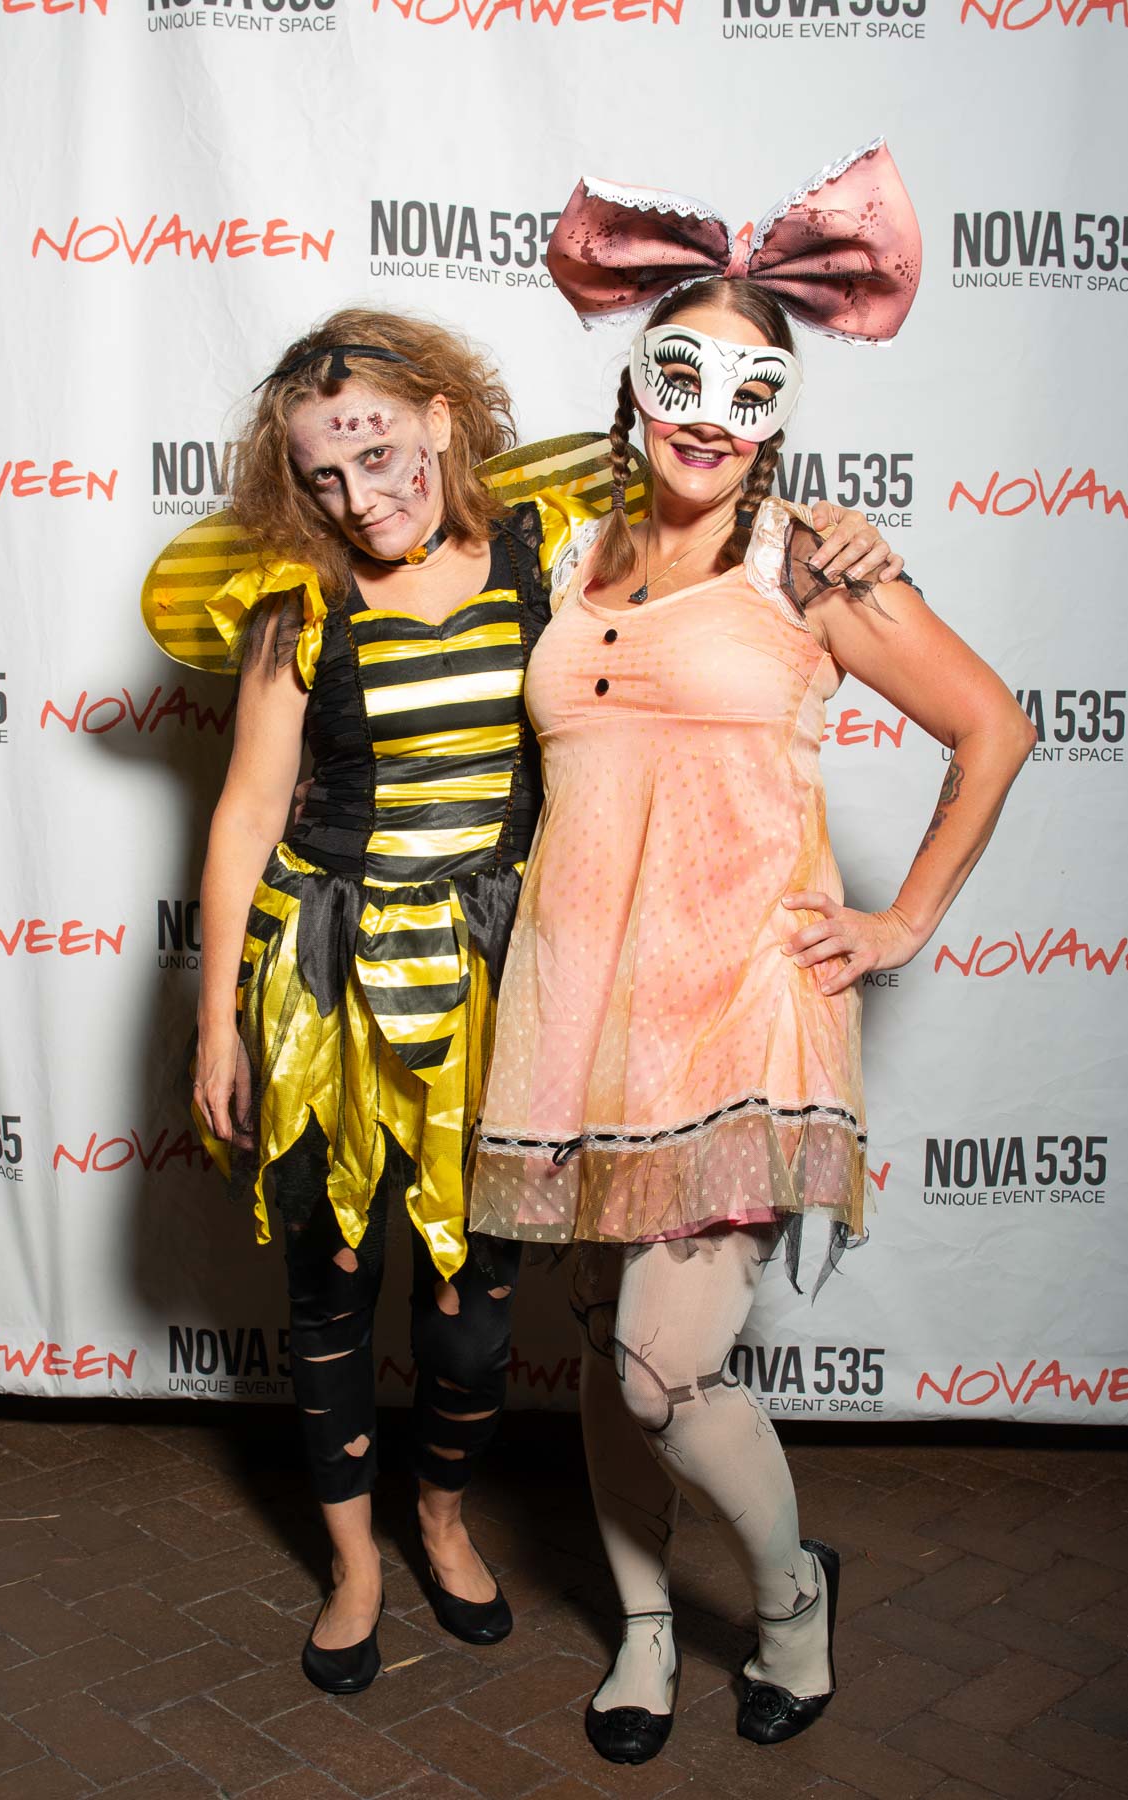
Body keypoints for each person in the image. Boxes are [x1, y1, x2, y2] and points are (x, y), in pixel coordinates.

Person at [141, 304, 901, 1698]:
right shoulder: (294, 606)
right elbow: (246, 813)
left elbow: (707, 521)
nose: (360, 496)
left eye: (380, 453)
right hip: (327, 991)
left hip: (504, 984)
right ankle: (355, 1565)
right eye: (323, 474)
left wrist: (833, 530)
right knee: (329, 1287)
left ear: (442, 421)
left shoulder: (552, 557)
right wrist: (213, 1027)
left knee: (472, 1308)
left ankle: (441, 1520)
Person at [467, 141, 1036, 1764]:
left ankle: (789, 1600)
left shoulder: (811, 559)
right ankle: (644, 1631)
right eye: (681, 379)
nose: (709, 417)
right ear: (635, 389)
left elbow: (990, 726)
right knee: (603, 1351)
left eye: (748, 390)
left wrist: (900, 920)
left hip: (734, 1007)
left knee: (663, 1368)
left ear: (778, 413)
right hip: (577, 1008)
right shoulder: (563, 559)